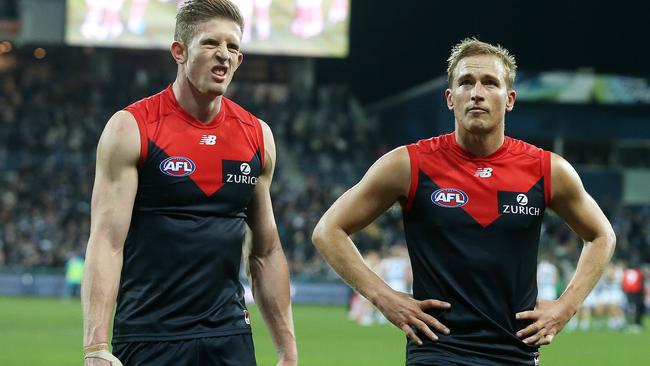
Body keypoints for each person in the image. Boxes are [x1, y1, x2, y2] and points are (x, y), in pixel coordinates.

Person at [312, 37, 616, 365]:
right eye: (465, 82)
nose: (477, 93)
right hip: (437, 350)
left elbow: (602, 235)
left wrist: (566, 307)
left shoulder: (547, 169)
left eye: (490, 83)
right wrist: (385, 298)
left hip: (514, 352)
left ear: (509, 99)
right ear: (450, 98)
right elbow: (328, 230)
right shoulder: (408, 165)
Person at [81, 1, 297, 365]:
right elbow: (107, 241)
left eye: (233, 47)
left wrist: (287, 352)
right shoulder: (132, 127)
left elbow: (266, 251)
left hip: (229, 336)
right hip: (149, 336)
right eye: (211, 43)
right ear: (179, 52)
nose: (224, 55)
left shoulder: (257, 136)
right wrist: (96, 346)